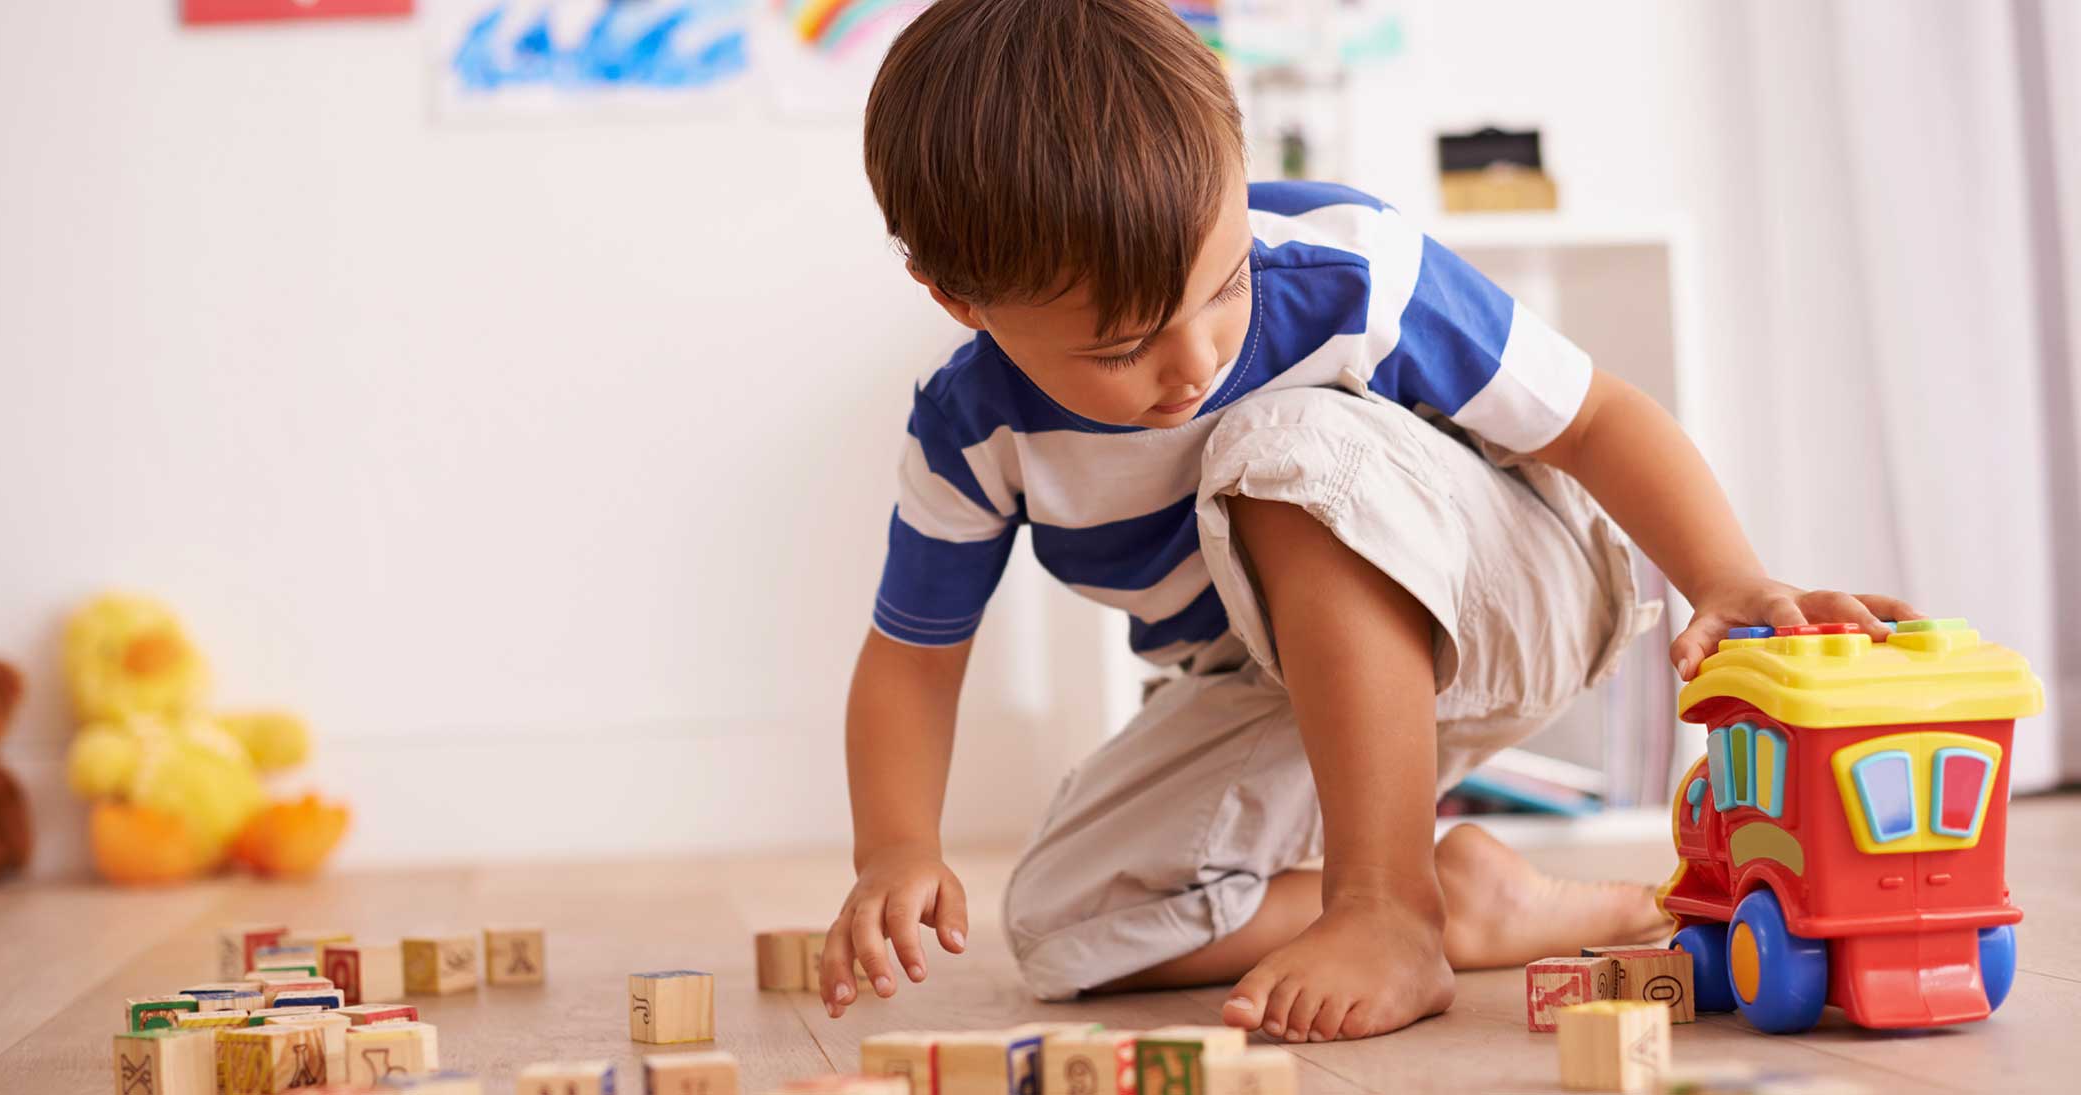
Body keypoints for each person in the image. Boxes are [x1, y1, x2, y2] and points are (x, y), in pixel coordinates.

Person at [818, 0, 1918, 1043]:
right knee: (1063, 922)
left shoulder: (1349, 265)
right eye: (1120, 348)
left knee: (1277, 449)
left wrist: (1723, 577)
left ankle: (1387, 908)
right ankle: (1461, 897)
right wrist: (897, 847)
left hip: (1506, 593)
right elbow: (915, 660)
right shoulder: (968, 436)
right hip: (1268, 677)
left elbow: (1594, 421)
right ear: (958, 300)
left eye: (1220, 288)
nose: (1192, 363)